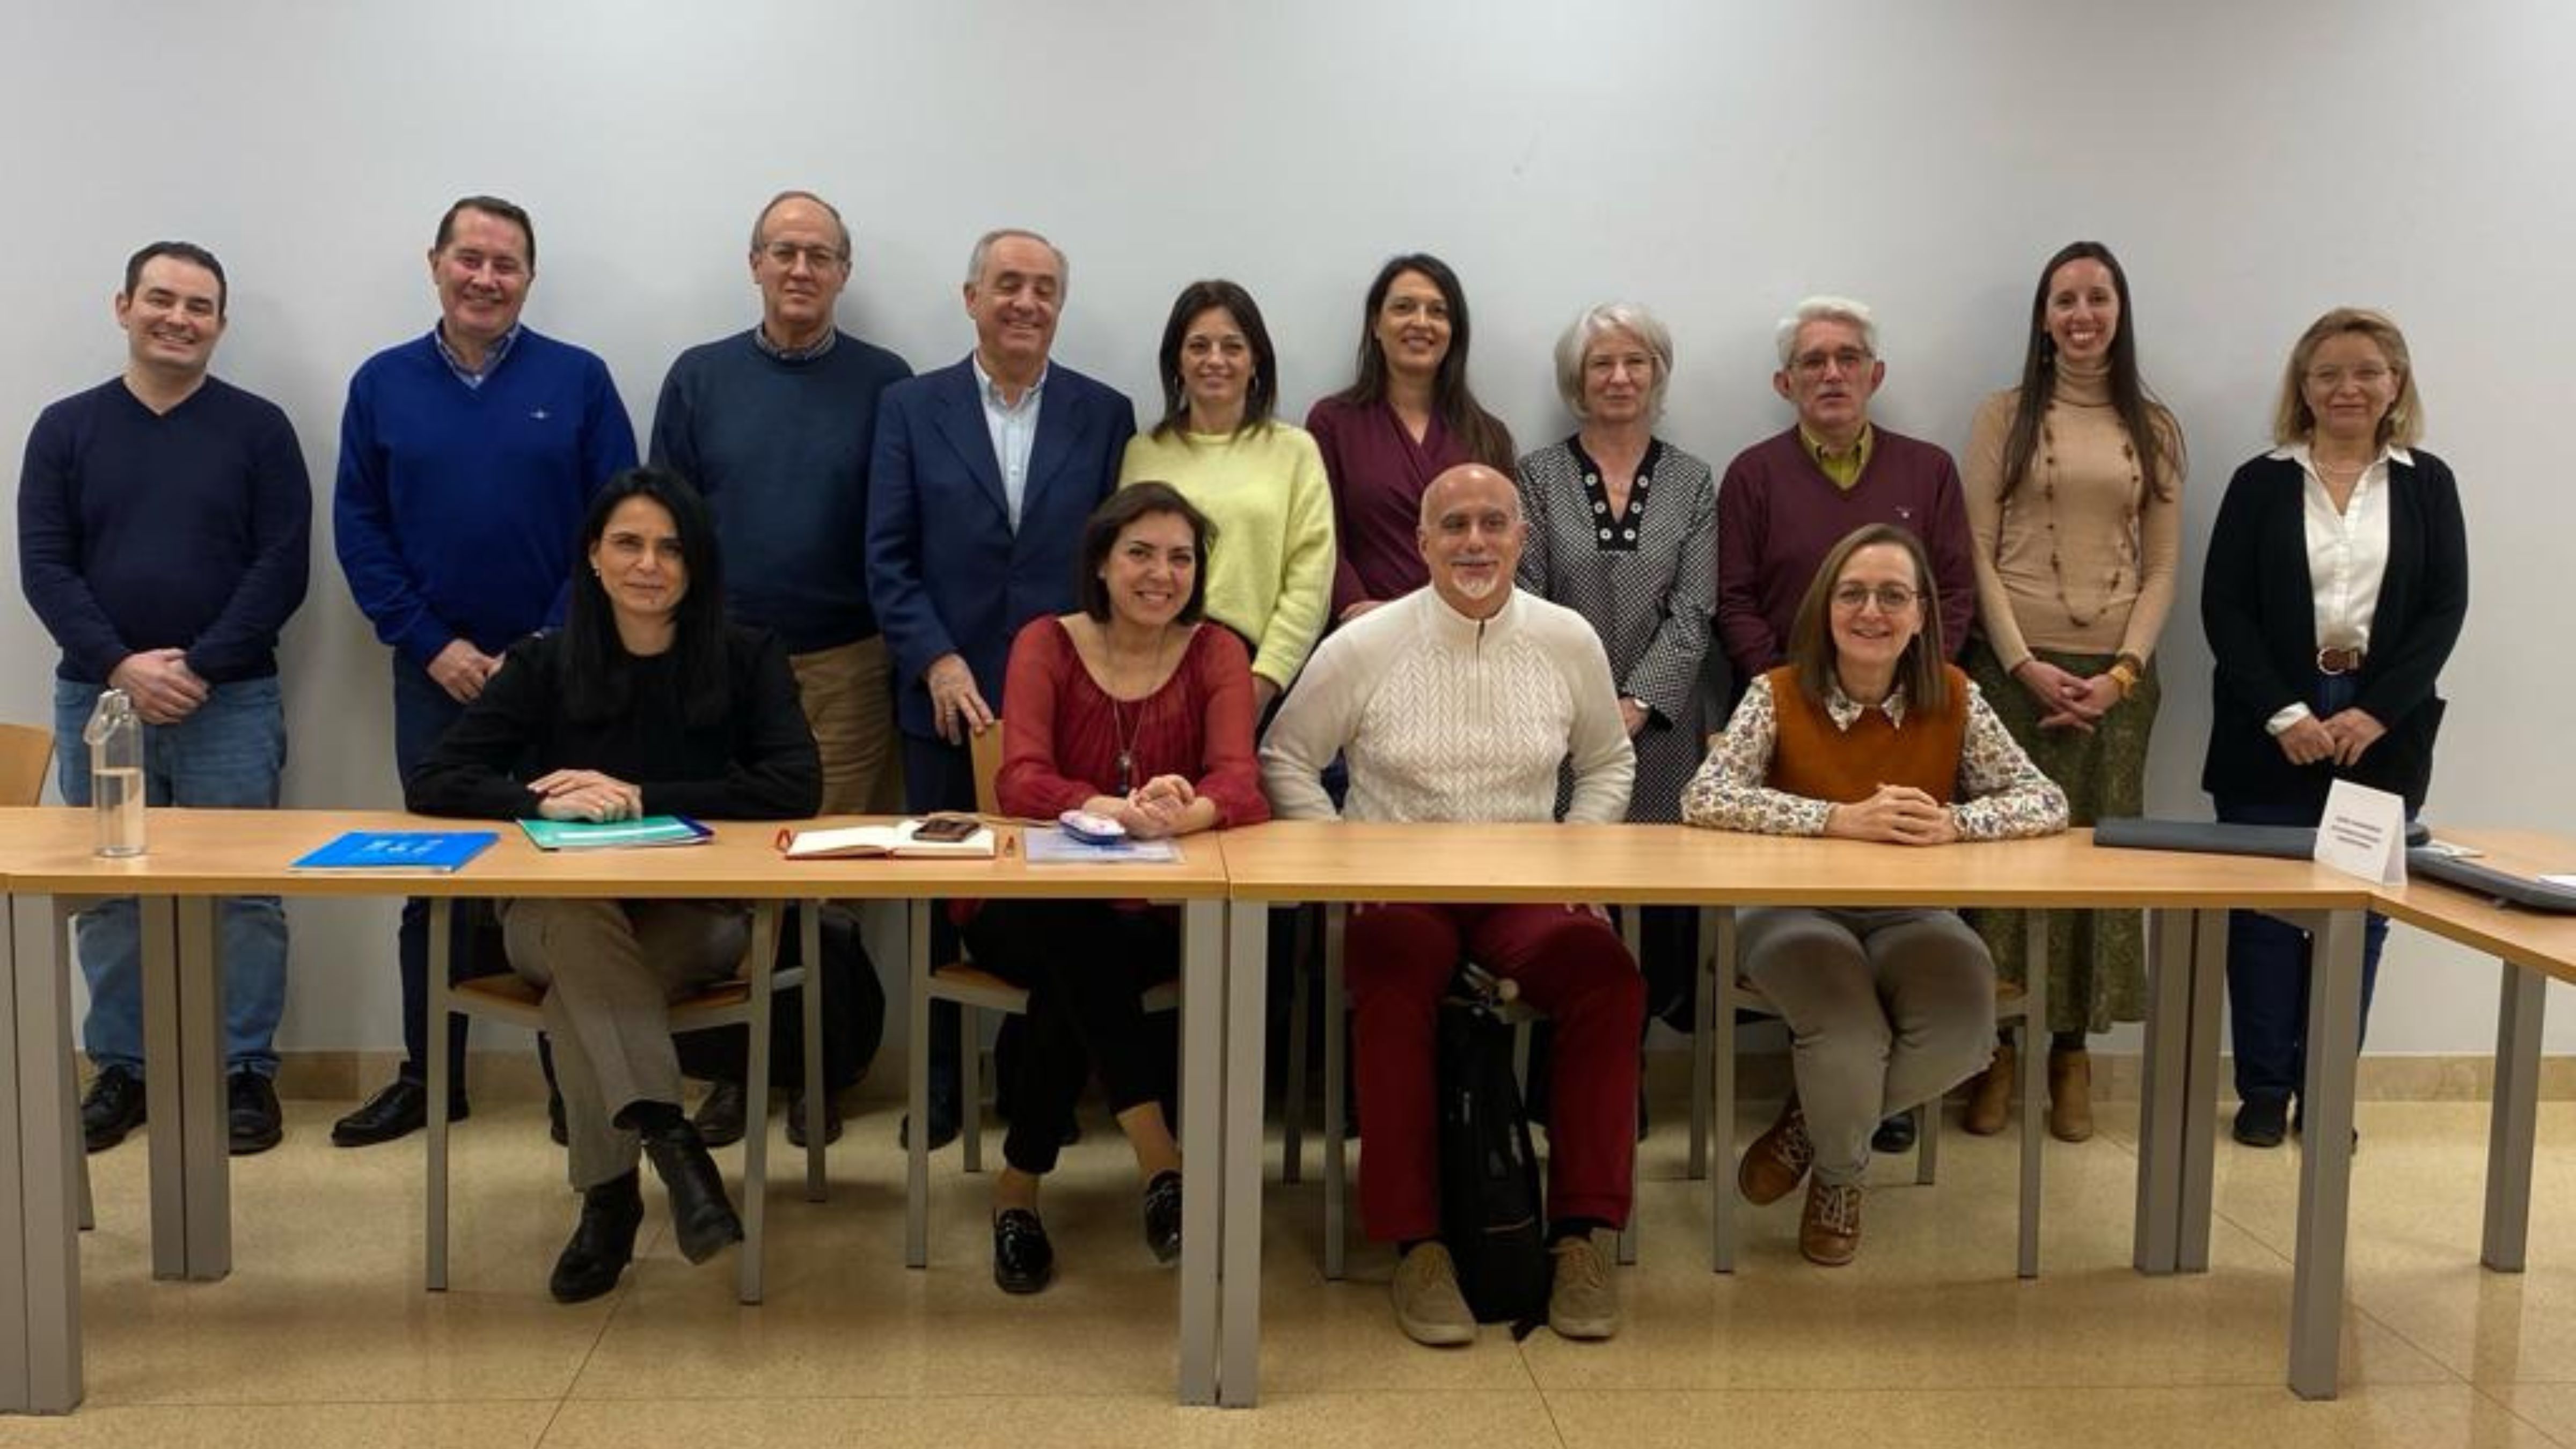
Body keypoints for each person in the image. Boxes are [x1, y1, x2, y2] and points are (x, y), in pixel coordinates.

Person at [405, 467, 822, 1304]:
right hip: (555, 919)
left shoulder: (746, 656)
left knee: (582, 998)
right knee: (578, 921)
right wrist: (537, 802)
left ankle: (609, 1201)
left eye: (671, 548)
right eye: (627, 543)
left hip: (691, 920)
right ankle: (672, 1139)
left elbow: (794, 786)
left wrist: (639, 799)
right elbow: (437, 777)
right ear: (593, 556)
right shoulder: (542, 661)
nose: (649, 564)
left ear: (696, 565)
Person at [1262, 464, 1640, 1346]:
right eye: (1455, 525)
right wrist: (1348, 867)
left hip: (1523, 886)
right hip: (1399, 890)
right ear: (1422, 542)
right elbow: (1285, 758)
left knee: (1607, 980)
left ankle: (1581, 1234)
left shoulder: (1567, 637)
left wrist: (1576, 859)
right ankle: (1417, 1241)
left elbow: (1608, 762)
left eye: (1494, 524)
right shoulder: (1366, 644)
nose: (1476, 542)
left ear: (1522, 539)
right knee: (1393, 983)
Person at [333, 194, 638, 1147]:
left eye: (506, 265)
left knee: (568, 872)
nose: (486, 279)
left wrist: (543, 646)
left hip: (561, 671)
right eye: (470, 259)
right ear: (435, 264)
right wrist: (433, 643)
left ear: (529, 279)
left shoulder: (579, 380)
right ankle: (432, 1078)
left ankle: (571, 1083)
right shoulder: (382, 384)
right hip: (439, 675)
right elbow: (360, 529)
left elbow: (618, 526)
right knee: (440, 872)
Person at [1681, 523, 2067, 1266]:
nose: (1872, 612)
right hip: (1794, 914)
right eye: (1853, 594)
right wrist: (1836, 820)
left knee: (1966, 1030)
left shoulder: (1956, 694)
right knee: (1848, 1035)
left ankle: (1809, 1125)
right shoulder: (1777, 692)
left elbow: (2043, 799)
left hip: (1914, 914)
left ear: (1922, 614)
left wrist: (1957, 824)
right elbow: (1705, 796)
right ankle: (1839, 1177)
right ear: (1826, 607)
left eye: (1894, 596)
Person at [18, 240, 309, 1156]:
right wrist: (122, 666)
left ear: (221, 325)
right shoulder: (66, 429)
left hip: (233, 700)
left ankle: (242, 1073)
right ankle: (124, 1070)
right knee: (110, 895)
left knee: (244, 895)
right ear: (123, 307)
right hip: (100, 703)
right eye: (162, 300)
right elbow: (45, 566)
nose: (179, 319)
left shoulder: (260, 429)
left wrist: (199, 669)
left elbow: (282, 565)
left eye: (199, 306)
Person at [650, 188, 914, 1148]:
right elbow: (662, 533)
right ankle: (735, 1073)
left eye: (820, 255)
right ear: (753, 264)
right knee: (730, 881)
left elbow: (900, 525)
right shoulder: (698, 377)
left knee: (830, 881)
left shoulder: (888, 383)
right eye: (783, 252)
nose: (801, 270)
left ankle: (820, 1071)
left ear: (845, 273)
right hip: (723, 673)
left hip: (848, 661)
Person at [866, 227, 1137, 1150]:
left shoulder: (1105, 414)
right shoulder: (909, 407)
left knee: (1059, 898)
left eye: (1045, 288)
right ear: (971, 296)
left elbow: (1111, 568)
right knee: (941, 891)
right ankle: (940, 1082)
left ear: (1062, 306)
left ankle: (1040, 1080)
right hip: (946, 696)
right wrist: (934, 658)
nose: (1027, 302)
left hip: (1066, 710)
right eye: (1009, 285)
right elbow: (887, 556)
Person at [962, 484, 1269, 1293]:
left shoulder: (1218, 652)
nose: (1160, 573)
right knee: (1074, 928)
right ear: (1101, 563)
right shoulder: (1045, 643)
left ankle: (1018, 1190)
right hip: (1024, 908)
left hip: (1154, 912)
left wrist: (1181, 814)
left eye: (1180, 557)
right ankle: (1161, 1163)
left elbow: (1242, 785)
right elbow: (1019, 780)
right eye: (1140, 552)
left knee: (1079, 964)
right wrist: (1101, 806)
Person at [1714, 294, 1976, 1157]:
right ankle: (1847, 1139)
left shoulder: (1928, 469)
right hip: (1798, 742)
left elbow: (1953, 590)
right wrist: (1795, 694)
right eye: (1814, 361)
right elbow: (1736, 600)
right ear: (1785, 381)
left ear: (1877, 375)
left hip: (1907, 738)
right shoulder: (1753, 473)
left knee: (1940, 1001)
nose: (1832, 373)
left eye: (1849, 358)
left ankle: (1826, 1117)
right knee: (1833, 987)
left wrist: (1908, 674)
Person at [2201, 308, 2466, 1149]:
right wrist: (2285, 711)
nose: (2347, 388)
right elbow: (2226, 608)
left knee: (2358, 914)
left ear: (2396, 385)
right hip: (2267, 723)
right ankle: (2265, 1091)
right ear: (2303, 388)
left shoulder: (2429, 483)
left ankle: (2327, 1092)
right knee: (2266, 916)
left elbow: (2443, 609)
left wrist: (2376, 709)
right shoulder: (2259, 481)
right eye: (2328, 374)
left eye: (2367, 371)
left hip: (2382, 729)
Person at [1956, 242, 2186, 1143]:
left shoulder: (2154, 425)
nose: (2082, 314)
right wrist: (2020, 665)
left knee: (2095, 870)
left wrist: (2121, 673)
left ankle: (2070, 1053)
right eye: (2065, 300)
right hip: (2015, 674)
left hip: (2117, 685)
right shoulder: (2002, 416)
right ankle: (1996, 1051)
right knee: (2005, 869)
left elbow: (2165, 562)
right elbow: (1973, 547)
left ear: (2119, 313)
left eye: (2098, 298)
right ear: (2043, 318)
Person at [1514, 301, 1717, 1027]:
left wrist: (1635, 705)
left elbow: (1694, 611)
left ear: (1657, 374)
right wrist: (1591, 713)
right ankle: (1567, 1071)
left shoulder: (1694, 482)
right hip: (1559, 724)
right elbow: (1527, 601)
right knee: (1571, 898)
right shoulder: (1536, 477)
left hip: (1663, 728)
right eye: (1602, 363)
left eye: (1636, 362)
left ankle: (1634, 1065)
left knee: (1657, 902)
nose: (1620, 377)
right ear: (1577, 379)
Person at [1117, 280, 1334, 714]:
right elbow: (1126, 566)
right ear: (1177, 361)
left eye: (1232, 347)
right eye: (1199, 346)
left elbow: (1311, 575)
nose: (1215, 360)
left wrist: (1264, 681)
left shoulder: (1295, 450)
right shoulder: (1142, 451)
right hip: (1151, 672)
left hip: (1257, 671)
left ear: (1256, 361)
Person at [1307, 254, 1515, 626]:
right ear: (1376, 323)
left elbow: (1502, 546)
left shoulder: (1488, 435)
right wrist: (1360, 611)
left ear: (1454, 330)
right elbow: (1323, 541)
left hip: (1465, 632)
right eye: (1404, 308)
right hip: (1364, 631)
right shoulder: (1333, 423)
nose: (1421, 322)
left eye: (1437, 311)